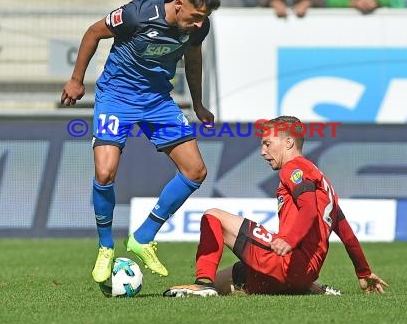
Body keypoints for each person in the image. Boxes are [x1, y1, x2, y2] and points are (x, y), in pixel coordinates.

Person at [60, 0, 220, 284]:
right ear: (178, 4)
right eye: (196, 16)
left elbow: (194, 61)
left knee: (195, 171)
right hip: (116, 97)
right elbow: (94, 32)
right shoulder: (138, 13)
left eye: (205, 18)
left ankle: (143, 237)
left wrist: (198, 105)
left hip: (157, 100)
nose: (200, 24)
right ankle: (105, 246)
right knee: (105, 172)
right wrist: (77, 80)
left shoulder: (198, 28)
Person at [164, 116, 388, 297]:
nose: (263, 151)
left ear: (289, 142)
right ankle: (312, 289)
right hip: (302, 275)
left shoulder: (294, 168)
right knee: (229, 281)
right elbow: (348, 235)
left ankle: (203, 283)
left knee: (213, 216)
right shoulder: (324, 184)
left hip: (287, 261)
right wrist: (363, 272)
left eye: (267, 143)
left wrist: (289, 239)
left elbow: (308, 208)